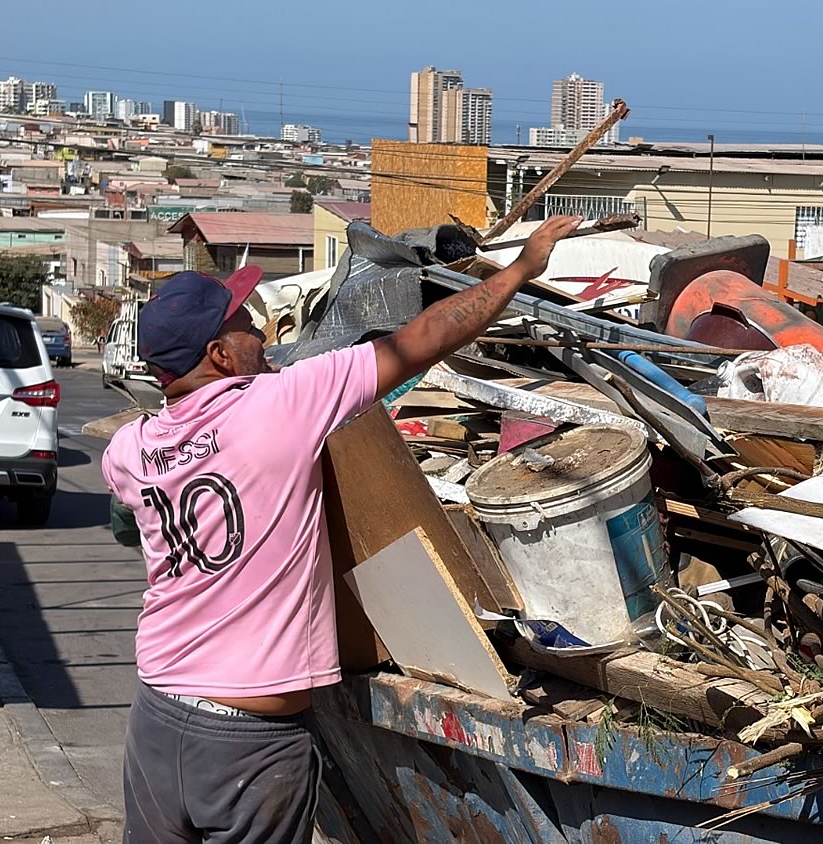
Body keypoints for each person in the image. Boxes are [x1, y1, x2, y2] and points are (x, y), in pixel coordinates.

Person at [101, 215, 583, 843]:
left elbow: (137, 511)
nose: (262, 334)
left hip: (156, 721)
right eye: (245, 325)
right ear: (218, 354)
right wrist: (520, 269)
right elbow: (423, 338)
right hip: (249, 745)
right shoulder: (281, 405)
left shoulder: (129, 449)